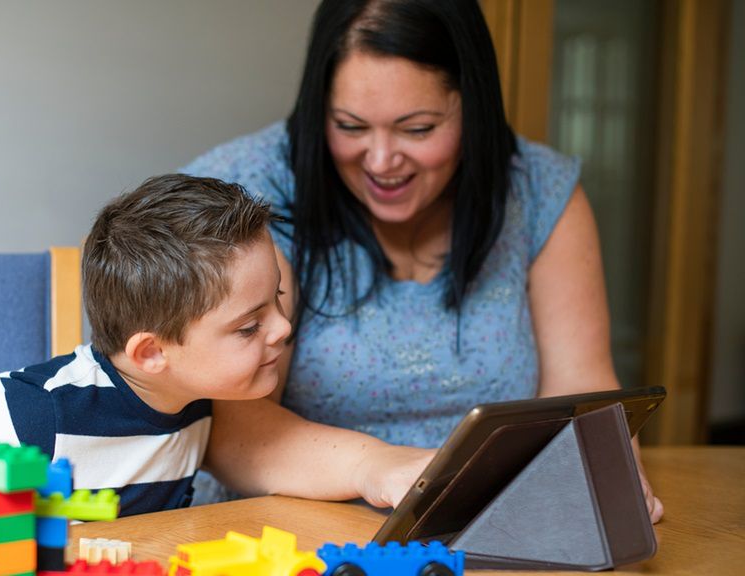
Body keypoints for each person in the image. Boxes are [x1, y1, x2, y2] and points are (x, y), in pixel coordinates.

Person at [183, 0, 663, 522]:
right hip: (279, 529)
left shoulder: (540, 191)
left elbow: (582, 387)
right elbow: (229, 428)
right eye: (351, 126)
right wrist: (385, 469)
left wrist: (607, 470)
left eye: (417, 129)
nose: (382, 162)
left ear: (471, 106)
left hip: (485, 522)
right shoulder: (247, 197)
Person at [0, 174, 428, 559]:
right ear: (152, 353)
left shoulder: (196, 397)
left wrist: (381, 467)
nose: (282, 328)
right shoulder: (29, 415)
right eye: (249, 326)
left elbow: (280, 449)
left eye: (277, 298)